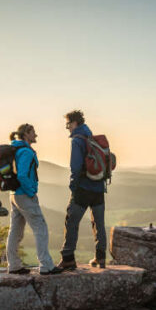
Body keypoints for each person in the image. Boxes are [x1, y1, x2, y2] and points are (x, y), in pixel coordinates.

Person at [5, 123, 62, 275]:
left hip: (14, 194)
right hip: (24, 194)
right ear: (26, 134)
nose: (36, 135)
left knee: (15, 230)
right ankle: (46, 266)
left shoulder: (16, 149)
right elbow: (23, 175)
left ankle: (14, 265)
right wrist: (31, 191)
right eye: (33, 132)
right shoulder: (26, 152)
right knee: (40, 227)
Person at [57, 110, 107, 270]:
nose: (67, 128)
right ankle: (101, 258)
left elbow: (76, 167)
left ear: (74, 123)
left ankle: (68, 258)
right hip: (99, 187)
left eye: (68, 124)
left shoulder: (77, 141)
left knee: (71, 222)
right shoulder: (91, 138)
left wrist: (73, 187)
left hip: (83, 188)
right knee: (99, 223)